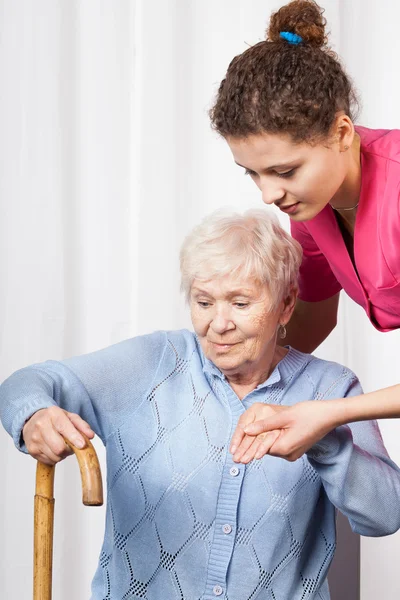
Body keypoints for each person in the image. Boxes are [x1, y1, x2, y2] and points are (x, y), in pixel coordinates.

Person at [2, 209, 400, 600]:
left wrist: (323, 436)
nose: (219, 324)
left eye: (240, 303)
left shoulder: (330, 387)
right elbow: (27, 383)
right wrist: (34, 415)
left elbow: (385, 516)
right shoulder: (153, 363)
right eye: (204, 302)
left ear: (286, 305)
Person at [209, 0, 400, 463]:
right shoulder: (310, 206)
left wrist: (329, 412)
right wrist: (227, 379)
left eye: (285, 170)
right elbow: (312, 317)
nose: (268, 194)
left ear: (341, 132)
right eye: (253, 174)